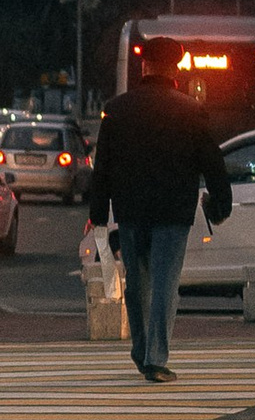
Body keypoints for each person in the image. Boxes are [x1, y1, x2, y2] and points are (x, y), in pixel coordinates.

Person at [84, 46, 234, 382]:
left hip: (132, 209)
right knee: (166, 283)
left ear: (145, 65)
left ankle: (141, 351)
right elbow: (212, 162)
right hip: (174, 210)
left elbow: (103, 166)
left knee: (138, 285)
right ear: (175, 68)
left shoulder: (118, 109)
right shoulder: (191, 110)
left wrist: (98, 211)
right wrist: (221, 203)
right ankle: (156, 357)